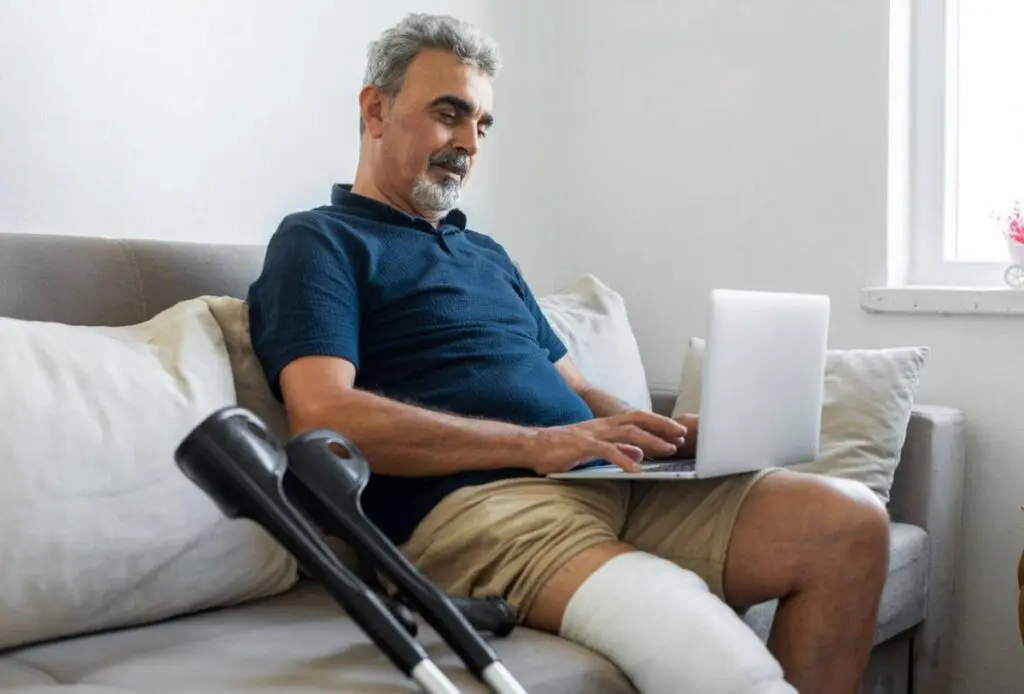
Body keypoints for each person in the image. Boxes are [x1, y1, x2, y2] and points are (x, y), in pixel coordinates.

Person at [247, 13, 890, 694]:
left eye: (482, 125)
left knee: (847, 522)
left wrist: (659, 435)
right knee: (721, 662)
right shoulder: (319, 242)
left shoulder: (485, 255)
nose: (468, 142)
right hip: (476, 510)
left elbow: (577, 390)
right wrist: (536, 443)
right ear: (375, 109)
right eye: (449, 113)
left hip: (603, 481)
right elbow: (326, 418)